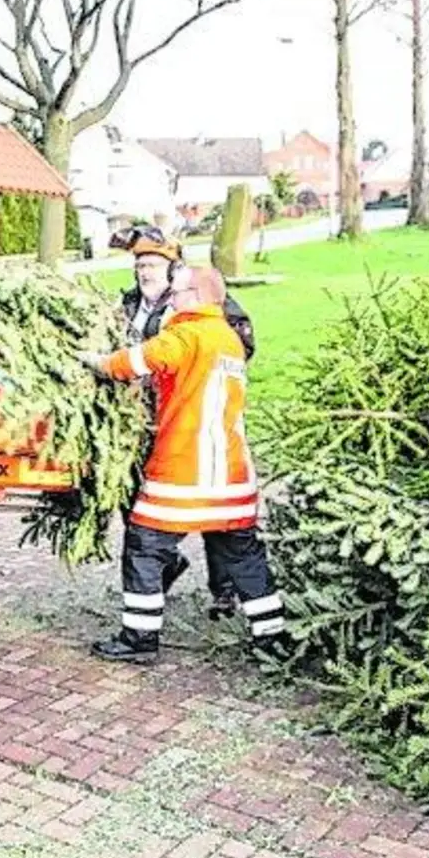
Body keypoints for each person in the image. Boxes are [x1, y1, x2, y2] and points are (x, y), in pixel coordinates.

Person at [79, 264, 287, 664]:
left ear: (197, 295)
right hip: (231, 471)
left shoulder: (187, 334)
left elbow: (136, 362)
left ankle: (139, 637)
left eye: (176, 292)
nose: (170, 299)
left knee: (144, 545)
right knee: (243, 554)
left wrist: (97, 362)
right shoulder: (228, 338)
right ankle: (272, 637)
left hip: (185, 468)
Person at [108, 225, 256, 622]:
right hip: (141, 420)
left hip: (191, 418)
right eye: (140, 264)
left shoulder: (202, 303)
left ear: (173, 268)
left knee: (213, 513)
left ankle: (222, 592)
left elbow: (236, 346)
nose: (145, 271)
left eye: (153, 263)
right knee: (138, 501)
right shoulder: (127, 304)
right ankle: (164, 568)